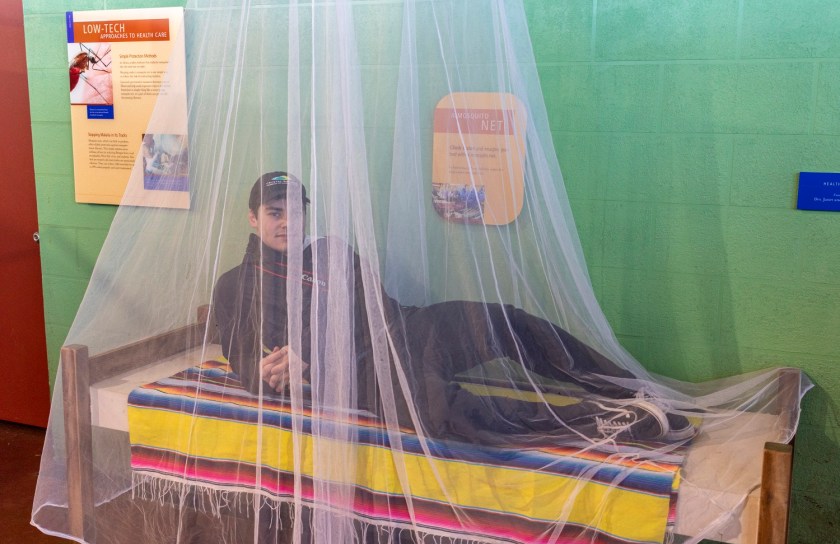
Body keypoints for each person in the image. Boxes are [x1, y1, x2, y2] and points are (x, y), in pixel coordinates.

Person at [213, 172, 694, 445]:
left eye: (297, 211)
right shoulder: (235, 285)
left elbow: (377, 312)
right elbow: (247, 367)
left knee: (503, 320)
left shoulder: (332, 251)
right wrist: (283, 372)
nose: (288, 223)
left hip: (407, 330)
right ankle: (600, 419)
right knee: (442, 412)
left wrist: (308, 351)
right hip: (361, 372)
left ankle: (624, 386)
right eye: (275, 213)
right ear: (254, 218)